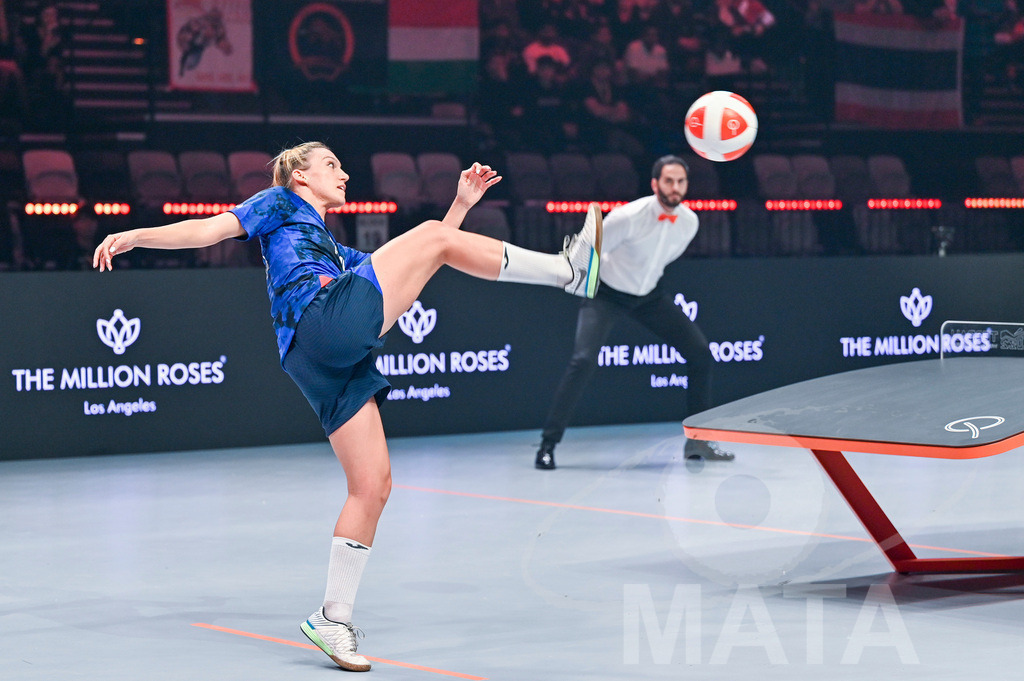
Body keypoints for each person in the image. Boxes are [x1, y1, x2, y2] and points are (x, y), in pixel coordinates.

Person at [93, 142, 603, 671]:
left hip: (317, 358)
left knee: (372, 486)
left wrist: (459, 208)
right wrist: (135, 236)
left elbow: (428, 260)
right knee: (431, 235)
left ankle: (332, 618)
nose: (344, 174)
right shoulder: (278, 202)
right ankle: (568, 271)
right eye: (331, 166)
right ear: (299, 176)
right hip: (321, 321)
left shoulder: (333, 251)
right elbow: (209, 230)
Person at [534, 155, 735, 470]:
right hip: (607, 294)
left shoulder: (690, 222)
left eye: (681, 181)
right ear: (655, 184)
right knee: (583, 360)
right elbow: (587, 252)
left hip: (649, 296)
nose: (675, 187)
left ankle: (697, 443)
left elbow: (663, 260)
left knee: (700, 354)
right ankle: (547, 445)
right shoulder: (627, 217)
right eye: (668, 181)